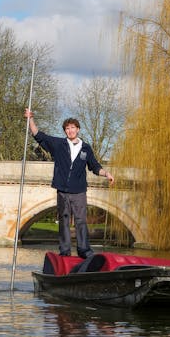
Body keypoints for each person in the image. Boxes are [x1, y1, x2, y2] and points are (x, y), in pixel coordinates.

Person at [26, 108, 114, 258]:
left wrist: (106, 174)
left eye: (73, 127)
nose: (70, 130)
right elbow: (38, 135)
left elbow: (94, 166)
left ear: (78, 129)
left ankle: (84, 250)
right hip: (62, 190)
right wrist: (30, 119)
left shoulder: (86, 148)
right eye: (67, 128)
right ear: (65, 131)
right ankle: (65, 252)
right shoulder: (58, 144)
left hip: (79, 191)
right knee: (64, 220)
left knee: (80, 221)